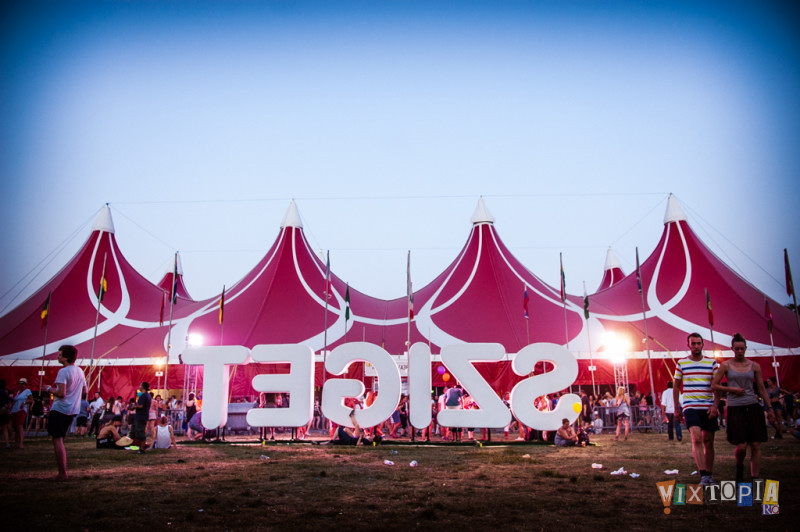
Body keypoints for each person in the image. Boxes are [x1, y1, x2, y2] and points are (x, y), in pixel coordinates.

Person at [711, 333, 775, 483]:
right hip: (735, 407)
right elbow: (714, 385)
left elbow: (761, 388)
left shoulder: (754, 366)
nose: (739, 351)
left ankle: (755, 477)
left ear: (746, 348)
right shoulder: (726, 365)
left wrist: (770, 407)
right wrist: (732, 390)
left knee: (755, 444)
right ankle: (739, 465)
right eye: (737, 349)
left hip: (753, 405)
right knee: (741, 446)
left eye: (742, 349)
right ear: (732, 349)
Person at [674, 332, 719, 486]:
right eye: (693, 344)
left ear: (702, 344)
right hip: (690, 405)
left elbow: (717, 386)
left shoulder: (712, 363)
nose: (696, 346)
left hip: (707, 405)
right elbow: (676, 385)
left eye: (698, 343)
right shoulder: (682, 363)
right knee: (697, 438)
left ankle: (709, 473)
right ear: (688, 345)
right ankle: (704, 475)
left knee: (709, 441)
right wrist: (676, 408)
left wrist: (715, 405)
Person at [45, 345, 88, 481]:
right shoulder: (80, 371)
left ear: (66, 357)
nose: (58, 357)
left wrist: (48, 389)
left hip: (60, 409)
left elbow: (61, 393)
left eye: (60, 355)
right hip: (72, 410)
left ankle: (62, 473)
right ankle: (62, 472)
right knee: (60, 439)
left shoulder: (63, 372)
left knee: (57, 440)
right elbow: (84, 392)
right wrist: (74, 398)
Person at [10, 378, 33, 449]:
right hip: (14, 410)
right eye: (20, 383)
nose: (21, 385)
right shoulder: (17, 392)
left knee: (20, 426)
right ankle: (16, 443)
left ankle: (21, 443)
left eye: (23, 383)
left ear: (25, 384)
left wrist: (24, 403)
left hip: (21, 410)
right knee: (16, 427)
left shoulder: (27, 391)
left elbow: (31, 399)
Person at [131, 382, 152, 453]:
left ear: (143, 387)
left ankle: (142, 449)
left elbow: (141, 406)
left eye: (140, 385)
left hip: (141, 416)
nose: (139, 387)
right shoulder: (147, 395)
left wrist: (134, 406)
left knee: (140, 432)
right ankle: (140, 448)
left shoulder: (144, 396)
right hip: (143, 416)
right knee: (137, 431)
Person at [0, 380, 11, 448]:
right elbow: (8, 401)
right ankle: (7, 443)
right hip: (4, 409)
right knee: (4, 427)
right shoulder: (4, 392)